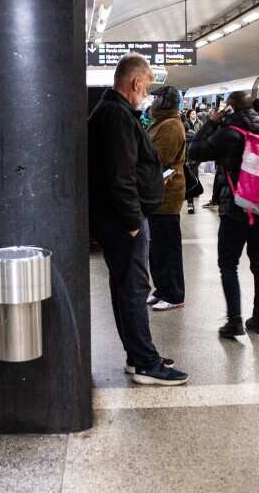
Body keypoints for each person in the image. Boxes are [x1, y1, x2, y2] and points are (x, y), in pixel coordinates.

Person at [88, 54, 187, 385]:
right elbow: (121, 176)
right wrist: (132, 221)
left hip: (117, 219)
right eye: (145, 85)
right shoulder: (116, 116)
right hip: (123, 222)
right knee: (133, 289)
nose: (146, 92)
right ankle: (145, 362)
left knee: (127, 287)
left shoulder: (114, 112)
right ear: (134, 82)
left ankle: (138, 354)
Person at [189, 89, 259, 336]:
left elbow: (195, 152)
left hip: (236, 207)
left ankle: (234, 321)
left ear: (230, 108)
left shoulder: (228, 134)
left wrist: (210, 122)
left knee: (228, 263)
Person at [146, 86, 186, 312]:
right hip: (159, 194)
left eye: (155, 98)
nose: (151, 102)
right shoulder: (162, 122)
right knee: (158, 248)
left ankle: (174, 294)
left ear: (164, 101)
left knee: (168, 248)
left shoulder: (170, 125)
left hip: (167, 196)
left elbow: (159, 158)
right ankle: (162, 289)